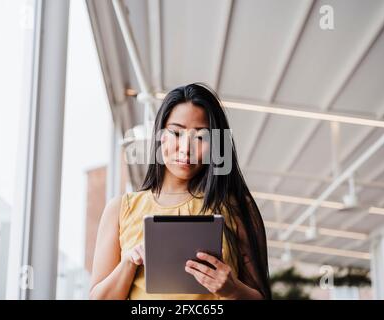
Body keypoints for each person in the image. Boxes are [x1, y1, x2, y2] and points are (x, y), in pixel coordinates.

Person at [89, 83, 271, 300]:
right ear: (160, 135)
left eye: (201, 137)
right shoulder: (121, 209)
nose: (186, 148)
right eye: (176, 132)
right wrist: (129, 262)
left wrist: (232, 290)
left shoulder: (237, 207)